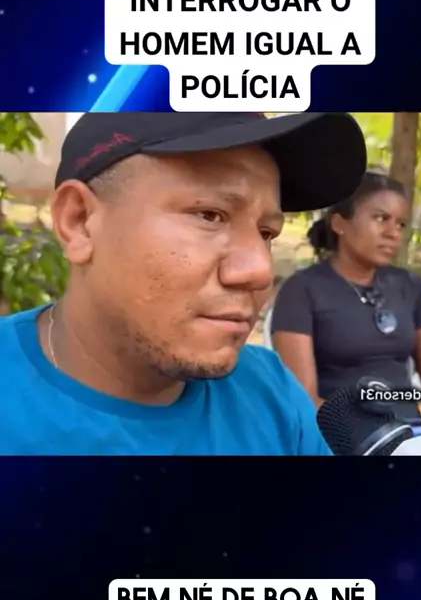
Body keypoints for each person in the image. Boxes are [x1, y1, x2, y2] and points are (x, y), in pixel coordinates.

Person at [0, 110, 367, 455]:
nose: (259, 271)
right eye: (209, 215)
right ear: (79, 222)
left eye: (266, 232)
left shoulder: (271, 392)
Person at [271, 171, 421, 447]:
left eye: (400, 223)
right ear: (339, 223)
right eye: (380, 218)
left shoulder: (411, 286)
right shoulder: (302, 290)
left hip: (412, 434)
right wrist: (379, 446)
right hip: (344, 442)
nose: (393, 233)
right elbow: (303, 399)